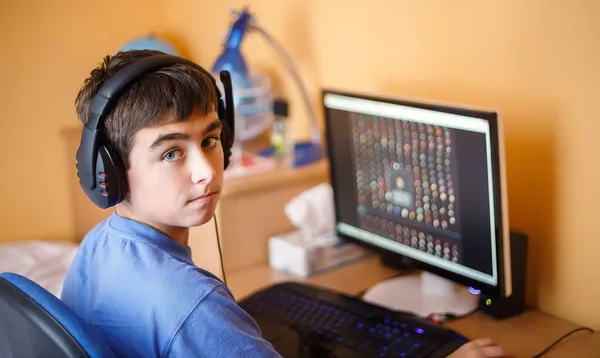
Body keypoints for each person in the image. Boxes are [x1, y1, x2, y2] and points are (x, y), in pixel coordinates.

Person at [61, 49, 508, 358]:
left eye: (212, 139)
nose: (206, 170)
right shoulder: (192, 306)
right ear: (112, 171)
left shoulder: (96, 247)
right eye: (171, 152)